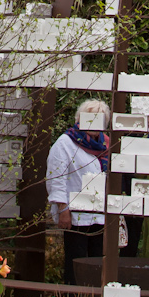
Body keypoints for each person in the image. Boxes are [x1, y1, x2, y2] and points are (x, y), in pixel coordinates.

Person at [45, 99, 109, 284]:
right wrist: (63, 209)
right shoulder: (65, 143)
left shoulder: (107, 144)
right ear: (79, 118)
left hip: (101, 215)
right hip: (76, 216)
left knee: (98, 263)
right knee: (76, 263)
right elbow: (56, 177)